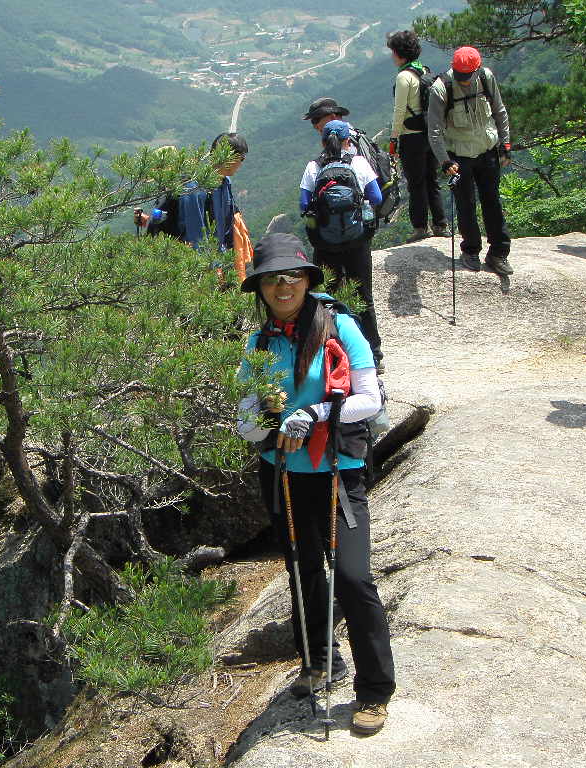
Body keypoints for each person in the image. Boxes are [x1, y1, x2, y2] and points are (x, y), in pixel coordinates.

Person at [236, 232, 396, 735]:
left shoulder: (340, 326)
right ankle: (318, 662)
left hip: (335, 472)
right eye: (271, 279)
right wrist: (268, 421)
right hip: (284, 473)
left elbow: (371, 398)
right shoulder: (258, 342)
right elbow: (243, 421)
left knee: (352, 576)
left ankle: (374, 690)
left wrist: (314, 411)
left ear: (307, 280)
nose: (283, 286)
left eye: (292, 276)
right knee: (303, 571)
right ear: (260, 287)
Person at [300, 120, 384, 370]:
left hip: (325, 245)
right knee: (363, 297)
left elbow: (304, 205)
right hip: (357, 241)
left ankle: (332, 353)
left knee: (327, 298)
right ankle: (374, 354)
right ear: (349, 141)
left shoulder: (313, 167)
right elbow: (377, 197)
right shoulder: (358, 163)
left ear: (323, 142)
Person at [426, 46, 513, 275]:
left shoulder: (486, 77)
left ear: (477, 68)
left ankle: (498, 253)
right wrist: (445, 161)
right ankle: (471, 250)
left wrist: (505, 145)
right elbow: (433, 132)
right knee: (465, 204)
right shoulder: (441, 89)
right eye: (461, 76)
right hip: (458, 156)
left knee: (492, 202)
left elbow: (500, 111)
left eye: (469, 76)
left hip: (488, 150)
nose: (465, 81)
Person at [386, 29, 447, 242]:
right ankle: (440, 224)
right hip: (431, 134)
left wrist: (393, 139)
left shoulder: (404, 77)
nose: (392, 55)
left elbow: (399, 111)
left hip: (411, 136)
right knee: (432, 180)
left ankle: (420, 228)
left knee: (416, 183)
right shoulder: (424, 70)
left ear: (399, 53)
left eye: (393, 51)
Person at [138, 132, 247, 252]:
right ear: (229, 158)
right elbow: (195, 236)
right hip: (183, 260)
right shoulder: (195, 188)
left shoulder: (225, 183)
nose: (241, 164)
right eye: (241, 158)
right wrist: (210, 266)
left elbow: (225, 224)